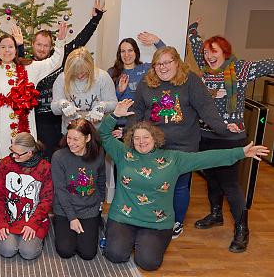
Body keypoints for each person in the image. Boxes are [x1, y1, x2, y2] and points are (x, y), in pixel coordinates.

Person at [100, 99, 268, 271]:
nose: (141, 142)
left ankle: (140, 240)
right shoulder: (123, 153)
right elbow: (103, 135)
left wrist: (241, 152)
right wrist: (114, 116)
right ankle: (129, 238)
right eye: (137, 138)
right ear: (131, 140)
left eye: (146, 137)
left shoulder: (173, 159)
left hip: (157, 221)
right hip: (124, 216)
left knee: (148, 263)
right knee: (116, 255)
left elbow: (207, 158)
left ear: (155, 138)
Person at [127, 46, 239, 239]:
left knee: (179, 186)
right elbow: (136, 111)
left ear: (177, 63)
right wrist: (131, 137)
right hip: (154, 145)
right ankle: (152, 217)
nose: (162, 68)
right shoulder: (146, 83)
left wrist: (223, 128)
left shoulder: (191, 81)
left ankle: (176, 221)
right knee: (155, 184)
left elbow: (206, 107)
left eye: (167, 62)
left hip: (183, 146)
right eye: (158, 64)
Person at [188, 20, 274, 252]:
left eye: (213, 51)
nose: (207, 56)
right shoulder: (205, 70)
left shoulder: (241, 69)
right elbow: (195, 45)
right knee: (211, 178)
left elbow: (269, 65)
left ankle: (242, 229)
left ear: (224, 52)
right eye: (206, 52)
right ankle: (216, 214)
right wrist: (193, 28)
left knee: (230, 184)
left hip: (230, 138)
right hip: (205, 135)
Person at [0, 23, 67, 166]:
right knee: (4, 167)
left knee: (27, 166)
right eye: (2, 47)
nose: (6, 50)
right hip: (0, 127)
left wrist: (60, 41)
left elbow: (55, 62)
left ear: (16, 50)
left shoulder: (29, 67)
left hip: (25, 127)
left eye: (10, 46)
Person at [33, 0, 106, 160]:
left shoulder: (59, 58)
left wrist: (96, 18)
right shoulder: (28, 64)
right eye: (39, 44)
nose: (42, 48)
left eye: (46, 45)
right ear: (33, 44)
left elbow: (81, 40)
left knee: (55, 157)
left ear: (52, 46)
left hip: (57, 118)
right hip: (35, 117)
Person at [0, 133, 53, 260]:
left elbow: (47, 200)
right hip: (9, 218)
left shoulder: (44, 167)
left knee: (28, 252)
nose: (13, 156)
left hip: (34, 218)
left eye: (18, 154)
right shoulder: (5, 164)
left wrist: (32, 224)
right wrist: (1, 223)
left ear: (30, 153)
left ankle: (35, 239)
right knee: (6, 250)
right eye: (12, 151)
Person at [51, 118, 106, 259]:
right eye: (69, 138)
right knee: (65, 251)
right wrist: (72, 217)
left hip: (89, 208)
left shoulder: (99, 154)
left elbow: (101, 179)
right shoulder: (59, 157)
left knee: (87, 253)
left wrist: (100, 202)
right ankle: (59, 223)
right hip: (65, 209)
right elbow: (60, 191)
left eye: (76, 139)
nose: (71, 143)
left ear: (88, 138)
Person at [51, 47, 118, 132]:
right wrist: (61, 104)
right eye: (75, 73)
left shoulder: (102, 77)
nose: (79, 76)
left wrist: (102, 106)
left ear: (90, 66)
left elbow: (114, 104)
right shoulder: (62, 78)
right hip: (71, 134)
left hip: (97, 133)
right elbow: (54, 109)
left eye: (84, 72)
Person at [108, 33, 166, 103]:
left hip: (142, 112)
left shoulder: (146, 68)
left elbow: (166, 57)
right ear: (119, 54)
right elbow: (108, 101)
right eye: (123, 51)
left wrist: (157, 41)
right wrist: (119, 91)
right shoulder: (112, 72)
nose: (126, 55)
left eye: (130, 50)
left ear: (136, 52)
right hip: (121, 112)